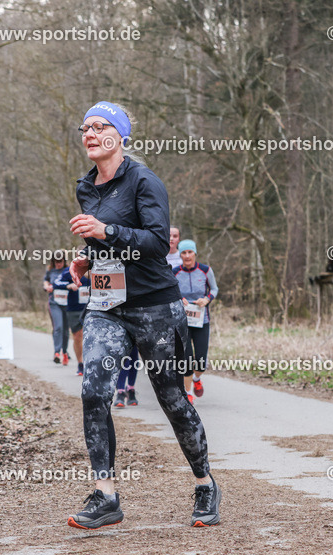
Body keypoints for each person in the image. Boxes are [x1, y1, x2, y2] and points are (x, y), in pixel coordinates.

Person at [66, 100, 219, 530]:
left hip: (154, 305)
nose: (90, 134)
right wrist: (86, 258)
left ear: (120, 136)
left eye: (100, 126)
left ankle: (205, 482)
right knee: (94, 391)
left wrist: (106, 231)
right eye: (85, 128)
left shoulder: (145, 181)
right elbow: (101, 245)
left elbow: (156, 243)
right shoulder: (86, 187)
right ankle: (105, 495)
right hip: (106, 302)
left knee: (171, 400)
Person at [173, 239, 218, 403]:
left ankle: (197, 379)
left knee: (200, 361)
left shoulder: (205, 270)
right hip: (183, 321)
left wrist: (207, 299)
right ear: (180, 255)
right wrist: (180, 299)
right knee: (186, 359)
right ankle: (188, 392)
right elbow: (170, 292)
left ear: (195, 253)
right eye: (183, 253)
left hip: (202, 320)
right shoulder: (175, 272)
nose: (187, 256)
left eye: (189, 252)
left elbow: (214, 288)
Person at [53, 269, 91, 375]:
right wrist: (68, 286)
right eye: (79, 253)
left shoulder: (95, 266)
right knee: (77, 336)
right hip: (74, 309)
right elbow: (56, 283)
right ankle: (80, 364)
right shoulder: (70, 271)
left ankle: (91, 363)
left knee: (90, 336)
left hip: (91, 307)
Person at [43, 255, 70, 365]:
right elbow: (45, 281)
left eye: (60, 261)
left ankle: (65, 352)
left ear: (64, 261)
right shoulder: (51, 271)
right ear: (53, 262)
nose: (58, 264)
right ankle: (57, 352)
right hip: (54, 303)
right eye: (56, 261)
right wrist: (46, 287)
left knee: (66, 330)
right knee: (58, 327)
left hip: (67, 303)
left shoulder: (68, 270)